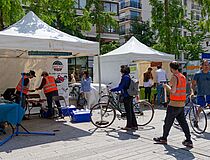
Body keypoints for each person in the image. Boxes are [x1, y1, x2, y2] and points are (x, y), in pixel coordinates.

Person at [153, 61, 193, 148]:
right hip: (181, 104)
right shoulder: (182, 76)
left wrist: (166, 86)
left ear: (171, 68)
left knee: (168, 122)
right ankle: (189, 140)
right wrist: (169, 84)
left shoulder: (174, 77)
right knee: (183, 123)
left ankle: (164, 138)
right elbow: (178, 86)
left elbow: (173, 91)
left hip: (174, 104)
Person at [110, 65, 138, 130]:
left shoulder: (125, 77)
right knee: (131, 111)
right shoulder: (127, 76)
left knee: (128, 112)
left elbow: (121, 87)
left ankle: (129, 126)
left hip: (126, 95)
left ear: (123, 71)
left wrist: (112, 90)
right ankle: (134, 125)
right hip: (129, 95)